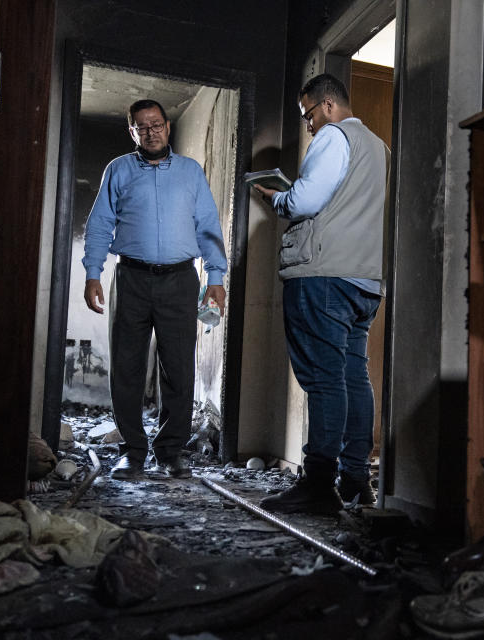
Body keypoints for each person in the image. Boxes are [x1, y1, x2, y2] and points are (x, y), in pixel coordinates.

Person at [252, 73, 390, 515]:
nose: (308, 125)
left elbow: (306, 201)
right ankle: (354, 479)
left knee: (326, 380)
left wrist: (276, 199)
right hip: (365, 280)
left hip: (324, 276)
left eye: (307, 114)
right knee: (353, 377)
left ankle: (316, 485)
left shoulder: (333, 136)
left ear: (327, 105)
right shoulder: (379, 147)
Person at [82, 99, 228, 481]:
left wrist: (216, 278)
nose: (151, 132)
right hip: (130, 278)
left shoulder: (191, 172)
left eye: (157, 124)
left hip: (180, 281)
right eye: (141, 127)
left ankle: (170, 452)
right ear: (132, 131)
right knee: (126, 368)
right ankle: (132, 452)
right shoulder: (118, 170)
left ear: (167, 126)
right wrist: (92, 273)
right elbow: (99, 225)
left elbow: (208, 226)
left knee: (178, 368)